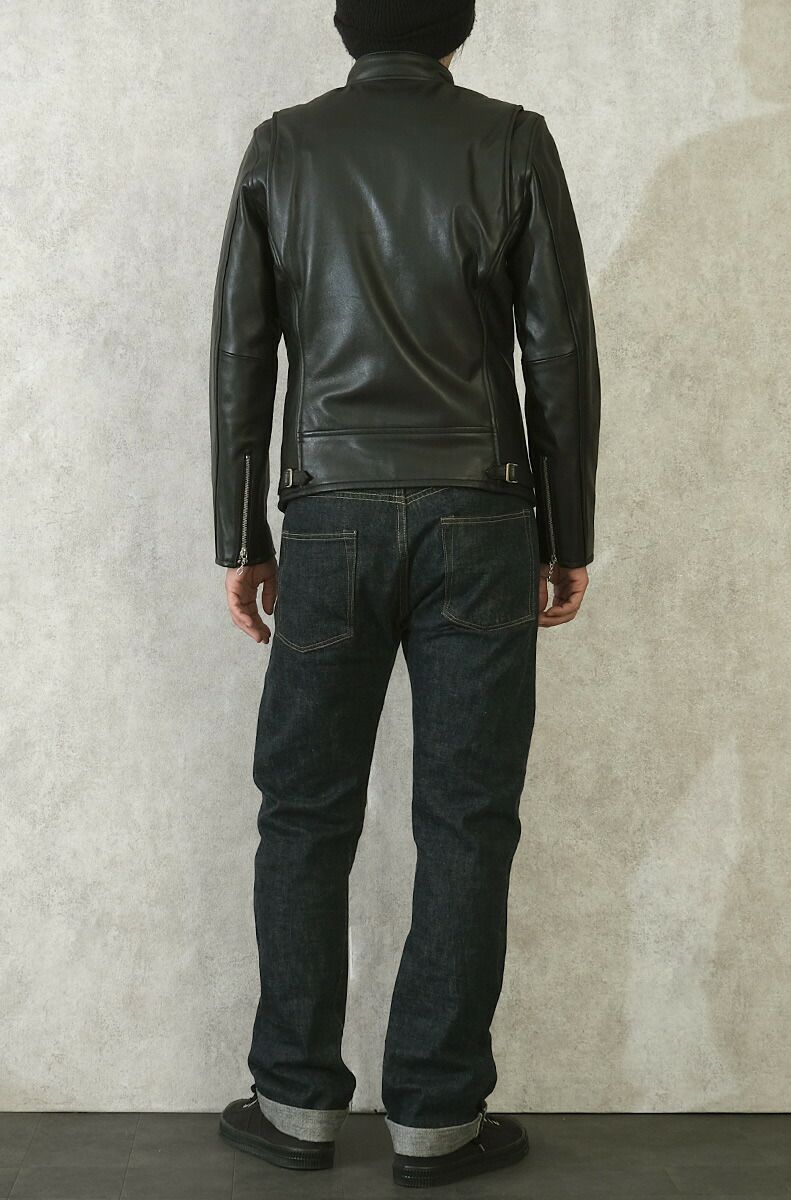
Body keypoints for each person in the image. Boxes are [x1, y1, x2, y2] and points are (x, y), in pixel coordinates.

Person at [210, 0, 600, 1188]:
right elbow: (558, 351)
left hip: (327, 513)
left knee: (303, 813)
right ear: (455, 26)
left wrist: (241, 533)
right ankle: (436, 1118)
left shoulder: (284, 146)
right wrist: (565, 531)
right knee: (466, 819)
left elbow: (241, 350)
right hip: (480, 518)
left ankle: (293, 1105)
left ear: (346, 25)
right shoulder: (509, 140)